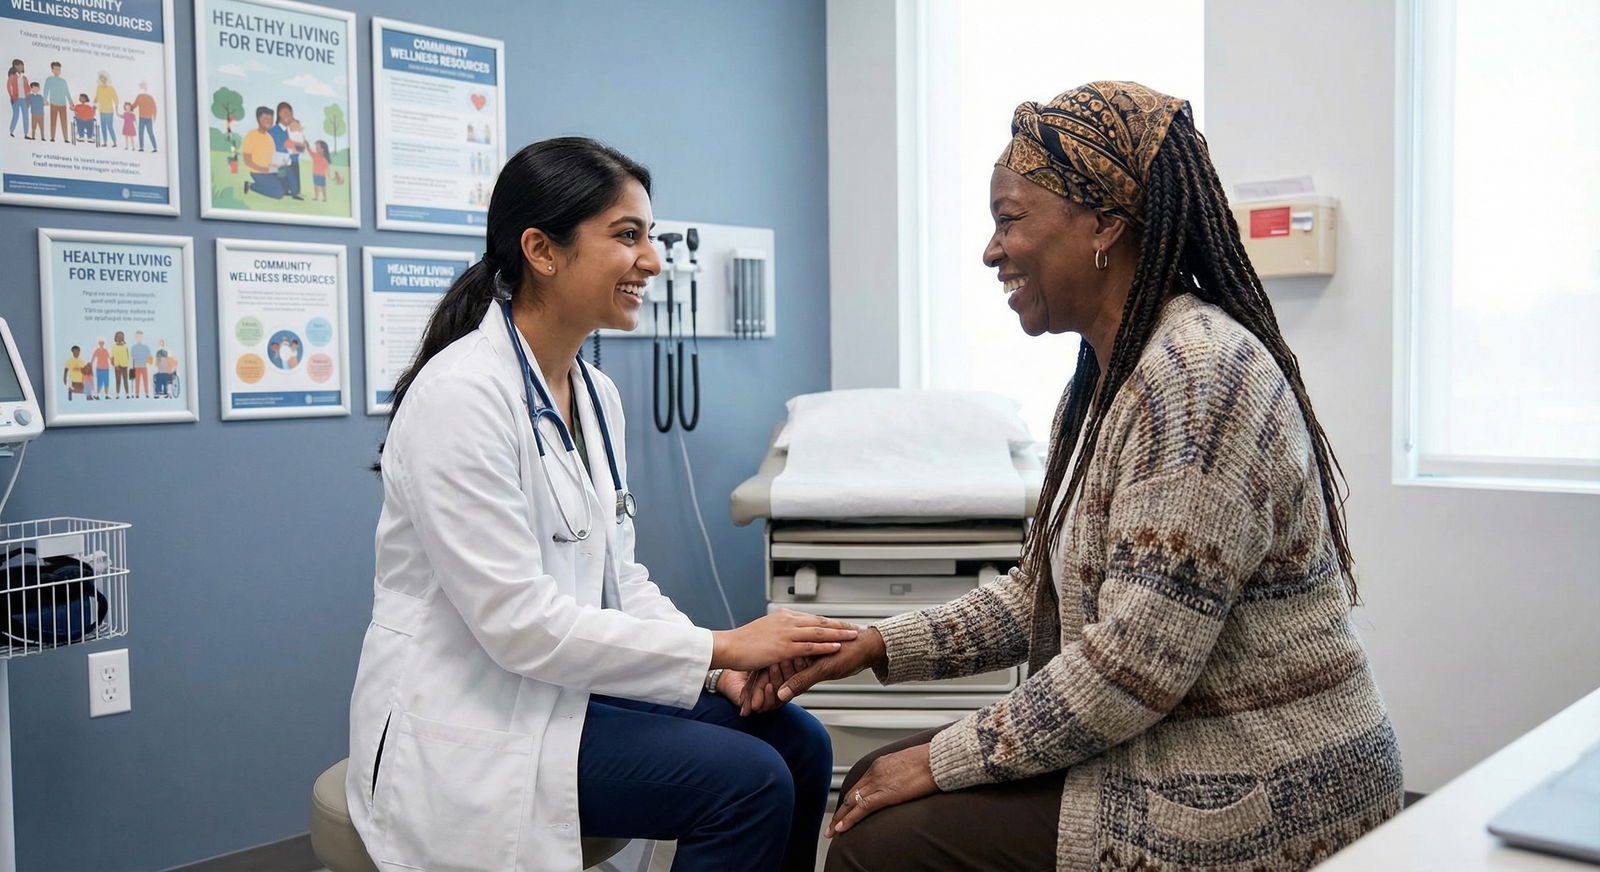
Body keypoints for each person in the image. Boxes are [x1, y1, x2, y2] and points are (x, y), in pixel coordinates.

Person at [765, 82, 1404, 872]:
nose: (991, 251)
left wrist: (941, 759)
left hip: (1258, 782)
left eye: (1010, 219)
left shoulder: (1197, 380)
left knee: (881, 843)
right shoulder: (1106, 377)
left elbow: (1134, 665)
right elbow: (1038, 592)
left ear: (1104, 223)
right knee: (870, 783)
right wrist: (870, 645)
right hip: (1166, 739)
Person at [345, 136, 845, 872]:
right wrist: (723, 644)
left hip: (559, 689)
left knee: (801, 742)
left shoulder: (595, 395)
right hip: (472, 712)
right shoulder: (461, 397)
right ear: (542, 251)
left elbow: (621, 579)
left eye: (651, 237)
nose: (652, 261)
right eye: (627, 236)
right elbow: (518, 626)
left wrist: (715, 673)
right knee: (747, 784)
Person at [241, 106, 285, 199]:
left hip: (270, 171)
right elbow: (247, 160)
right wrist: (262, 169)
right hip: (258, 172)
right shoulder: (252, 134)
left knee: (286, 176)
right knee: (278, 194)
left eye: (270, 118)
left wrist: (279, 165)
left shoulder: (269, 138)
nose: (268, 121)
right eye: (265, 118)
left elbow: (272, 158)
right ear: (259, 119)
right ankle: (250, 185)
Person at [42, 62, 68, 143]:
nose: (57, 71)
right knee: (53, 121)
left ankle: (66, 138)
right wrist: (45, 99)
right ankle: (52, 137)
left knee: (64, 121)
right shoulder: (49, 79)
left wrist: (71, 102)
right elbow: (46, 90)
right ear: (52, 70)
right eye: (56, 69)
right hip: (53, 103)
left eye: (59, 69)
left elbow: (67, 92)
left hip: (63, 104)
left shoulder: (63, 81)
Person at [93, 72, 116, 148]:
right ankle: (105, 142)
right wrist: (94, 104)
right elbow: (97, 97)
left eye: (104, 78)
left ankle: (114, 142)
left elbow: (116, 98)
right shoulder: (98, 88)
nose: (103, 79)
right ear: (99, 79)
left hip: (109, 111)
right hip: (102, 110)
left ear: (107, 78)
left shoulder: (111, 88)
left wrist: (117, 109)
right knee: (103, 126)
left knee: (109, 126)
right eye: (101, 78)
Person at [6, 59, 28, 139]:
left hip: (24, 99)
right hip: (16, 99)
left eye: (22, 65)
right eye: (19, 65)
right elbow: (9, 87)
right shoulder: (12, 76)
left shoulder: (24, 78)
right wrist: (12, 96)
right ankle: (11, 131)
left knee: (26, 115)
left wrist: (28, 98)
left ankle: (26, 134)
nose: (21, 66)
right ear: (15, 66)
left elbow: (28, 88)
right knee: (16, 114)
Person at [132, 81, 156, 151]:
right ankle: (141, 147)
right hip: (141, 117)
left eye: (143, 87)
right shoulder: (139, 96)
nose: (142, 88)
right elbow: (135, 104)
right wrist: (130, 108)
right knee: (141, 132)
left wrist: (154, 116)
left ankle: (155, 147)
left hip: (148, 118)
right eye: (141, 87)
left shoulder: (150, 97)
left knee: (150, 132)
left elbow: (154, 107)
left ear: (146, 88)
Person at [130, 331, 151, 397]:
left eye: (140, 336)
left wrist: (148, 362)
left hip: (144, 366)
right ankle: (137, 394)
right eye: (138, 336)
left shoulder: (145, 347)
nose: (139, 338)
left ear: (142, 337)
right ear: (136, 337)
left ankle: (147, 393)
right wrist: (131, 367)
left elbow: (149, 358)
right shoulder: (133, 347)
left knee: (145, 380)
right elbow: (132, 358)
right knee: (137, 381)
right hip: (136, 366)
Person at [111, 330, 130, 397]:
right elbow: (112, 356)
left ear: (123, 338)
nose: (119, 338)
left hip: (124, 365)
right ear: (115, 338)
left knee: (125, 380)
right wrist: (114, 364)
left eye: (121, 337)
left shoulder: (125, 346)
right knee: (118, 380)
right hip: (117, 365)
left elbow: (127, 355)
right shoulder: (114, 346)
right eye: (118, 337)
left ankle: (127, 394)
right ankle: (117, 394)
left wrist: (128, 363)